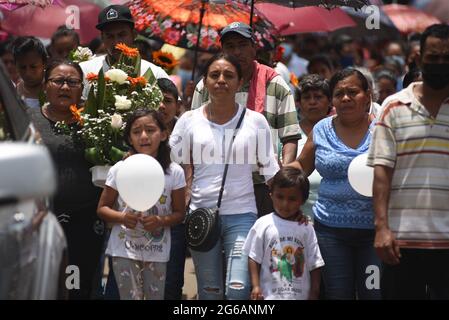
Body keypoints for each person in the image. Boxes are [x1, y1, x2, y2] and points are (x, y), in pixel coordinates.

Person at [170, 53, 279, 300]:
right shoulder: (188, 120)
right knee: (210, 292)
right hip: (200, 214)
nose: (221, 80)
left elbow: (271, 170)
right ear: (205, 82)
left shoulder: (256, 121)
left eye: (229, 75)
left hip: (243, 215)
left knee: (238, 290)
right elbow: (170, 164)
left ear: (240, 83)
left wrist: (291, 212)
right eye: (214, 75)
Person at [367, 24, 449, 300]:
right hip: (400, 241)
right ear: (418, 58)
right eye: (433, 57)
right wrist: (381, 228)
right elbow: (381, 173)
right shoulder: (393, 107)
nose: (440, 64)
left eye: (446, 58)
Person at [191, 22, 300, 217]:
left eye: (242, 45)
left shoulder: (274, 84)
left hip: (262, 184)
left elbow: (289, 136)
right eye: (230, 46)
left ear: (254, 49)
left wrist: (282, 178)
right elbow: (192, 135)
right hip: (213, 182)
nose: (237, 52)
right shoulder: (206, 85)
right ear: (222, 50)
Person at [289, 68, 381, 300]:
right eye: (339, 94)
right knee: (338, 294)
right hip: (331, 232)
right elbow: (302, 166)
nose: (346, 98)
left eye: (353, 92)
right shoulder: (322, 129)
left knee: (373, 293)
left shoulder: (382, 130)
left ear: (367, 96)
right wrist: (279, 176)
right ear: (333, 100)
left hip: (374, 232)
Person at [26, 59, 105, 299]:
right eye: (58, 81)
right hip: (40, 219)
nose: (65, 87)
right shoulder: (28, 120)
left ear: (82, 89)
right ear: (46, 86)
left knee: (76, 284)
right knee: (42, 283)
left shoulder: (96, 122)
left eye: (72, 82)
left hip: (84, 220)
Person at [97, 109, 185, 300]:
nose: (143, 136)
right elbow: (102, 208)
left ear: (163, 134)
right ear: (129, 138)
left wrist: (161, 220)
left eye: (150, 130)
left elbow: (180, 213)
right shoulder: (119, 169)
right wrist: (121, 217)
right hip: (124, 250)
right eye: (136, 131)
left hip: (157, 251)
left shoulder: (174, 172)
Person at [243, 167, 324, 300]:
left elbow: (315, 264)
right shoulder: (262, 224)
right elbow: (253, 257)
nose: (285, 204)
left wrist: (314, 292)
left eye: (292, 199)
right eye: (280, 197)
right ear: (271, 195)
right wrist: (256, 286)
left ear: (302, 200)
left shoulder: (306, 227)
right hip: (269, 296)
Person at [79, 5, 169, 100]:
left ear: (133, 35)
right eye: (110, 36)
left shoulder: (155, 73)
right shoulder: (85, 70)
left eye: (122, 35)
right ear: (102, 38)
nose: (116, 42)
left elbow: (173, 106)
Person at [155, 78, 186, 300]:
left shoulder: (188, 131)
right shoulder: (138, 130)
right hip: (140, 218)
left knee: (171, 282)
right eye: (156, 100)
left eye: (167, 101)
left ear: (178, 104)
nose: (161, 106)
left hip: (176, 219)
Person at [294, 75, 331, 218]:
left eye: (318, 97)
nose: (312, 102)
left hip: (333, 216)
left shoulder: (340, 132)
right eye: (307, 97)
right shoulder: (289, 134)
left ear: (329, 101)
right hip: (297, 217)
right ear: (298, 103)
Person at [12, 36, 47, 108]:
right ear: (16, 65)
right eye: (23, 67)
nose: (28, 73)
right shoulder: (13, 93)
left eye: (33, 67)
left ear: (44, 63)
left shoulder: (54, 90)